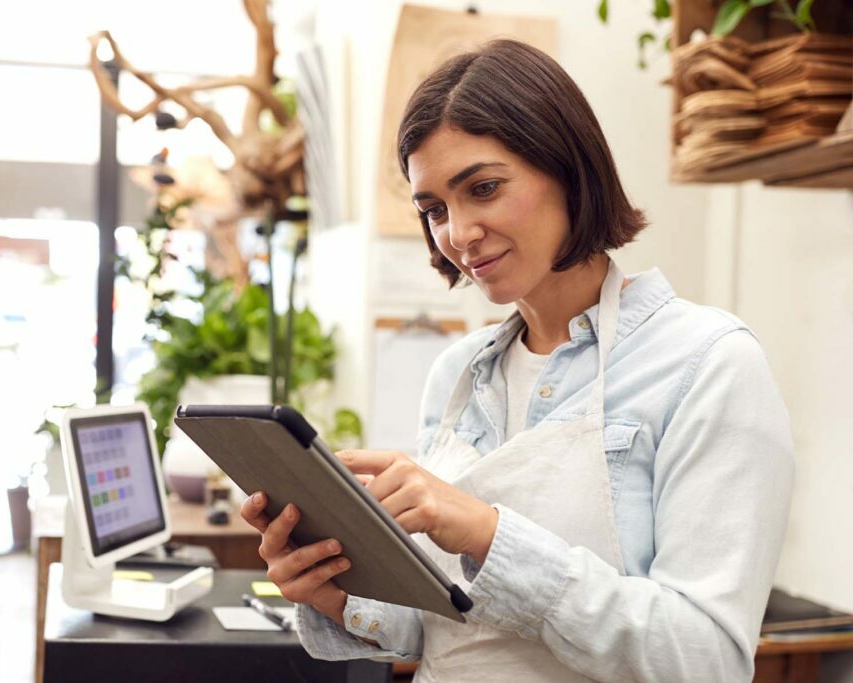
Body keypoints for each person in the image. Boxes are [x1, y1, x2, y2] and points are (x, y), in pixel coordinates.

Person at [241, 39, 793, 682]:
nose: (458, 234)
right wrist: (332, 589)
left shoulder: (708, 363)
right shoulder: (457, 374)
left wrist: (487, 533)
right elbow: (444, 622)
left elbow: (707, 660)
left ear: (570, 169)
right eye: (434, 209)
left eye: (484, 188)